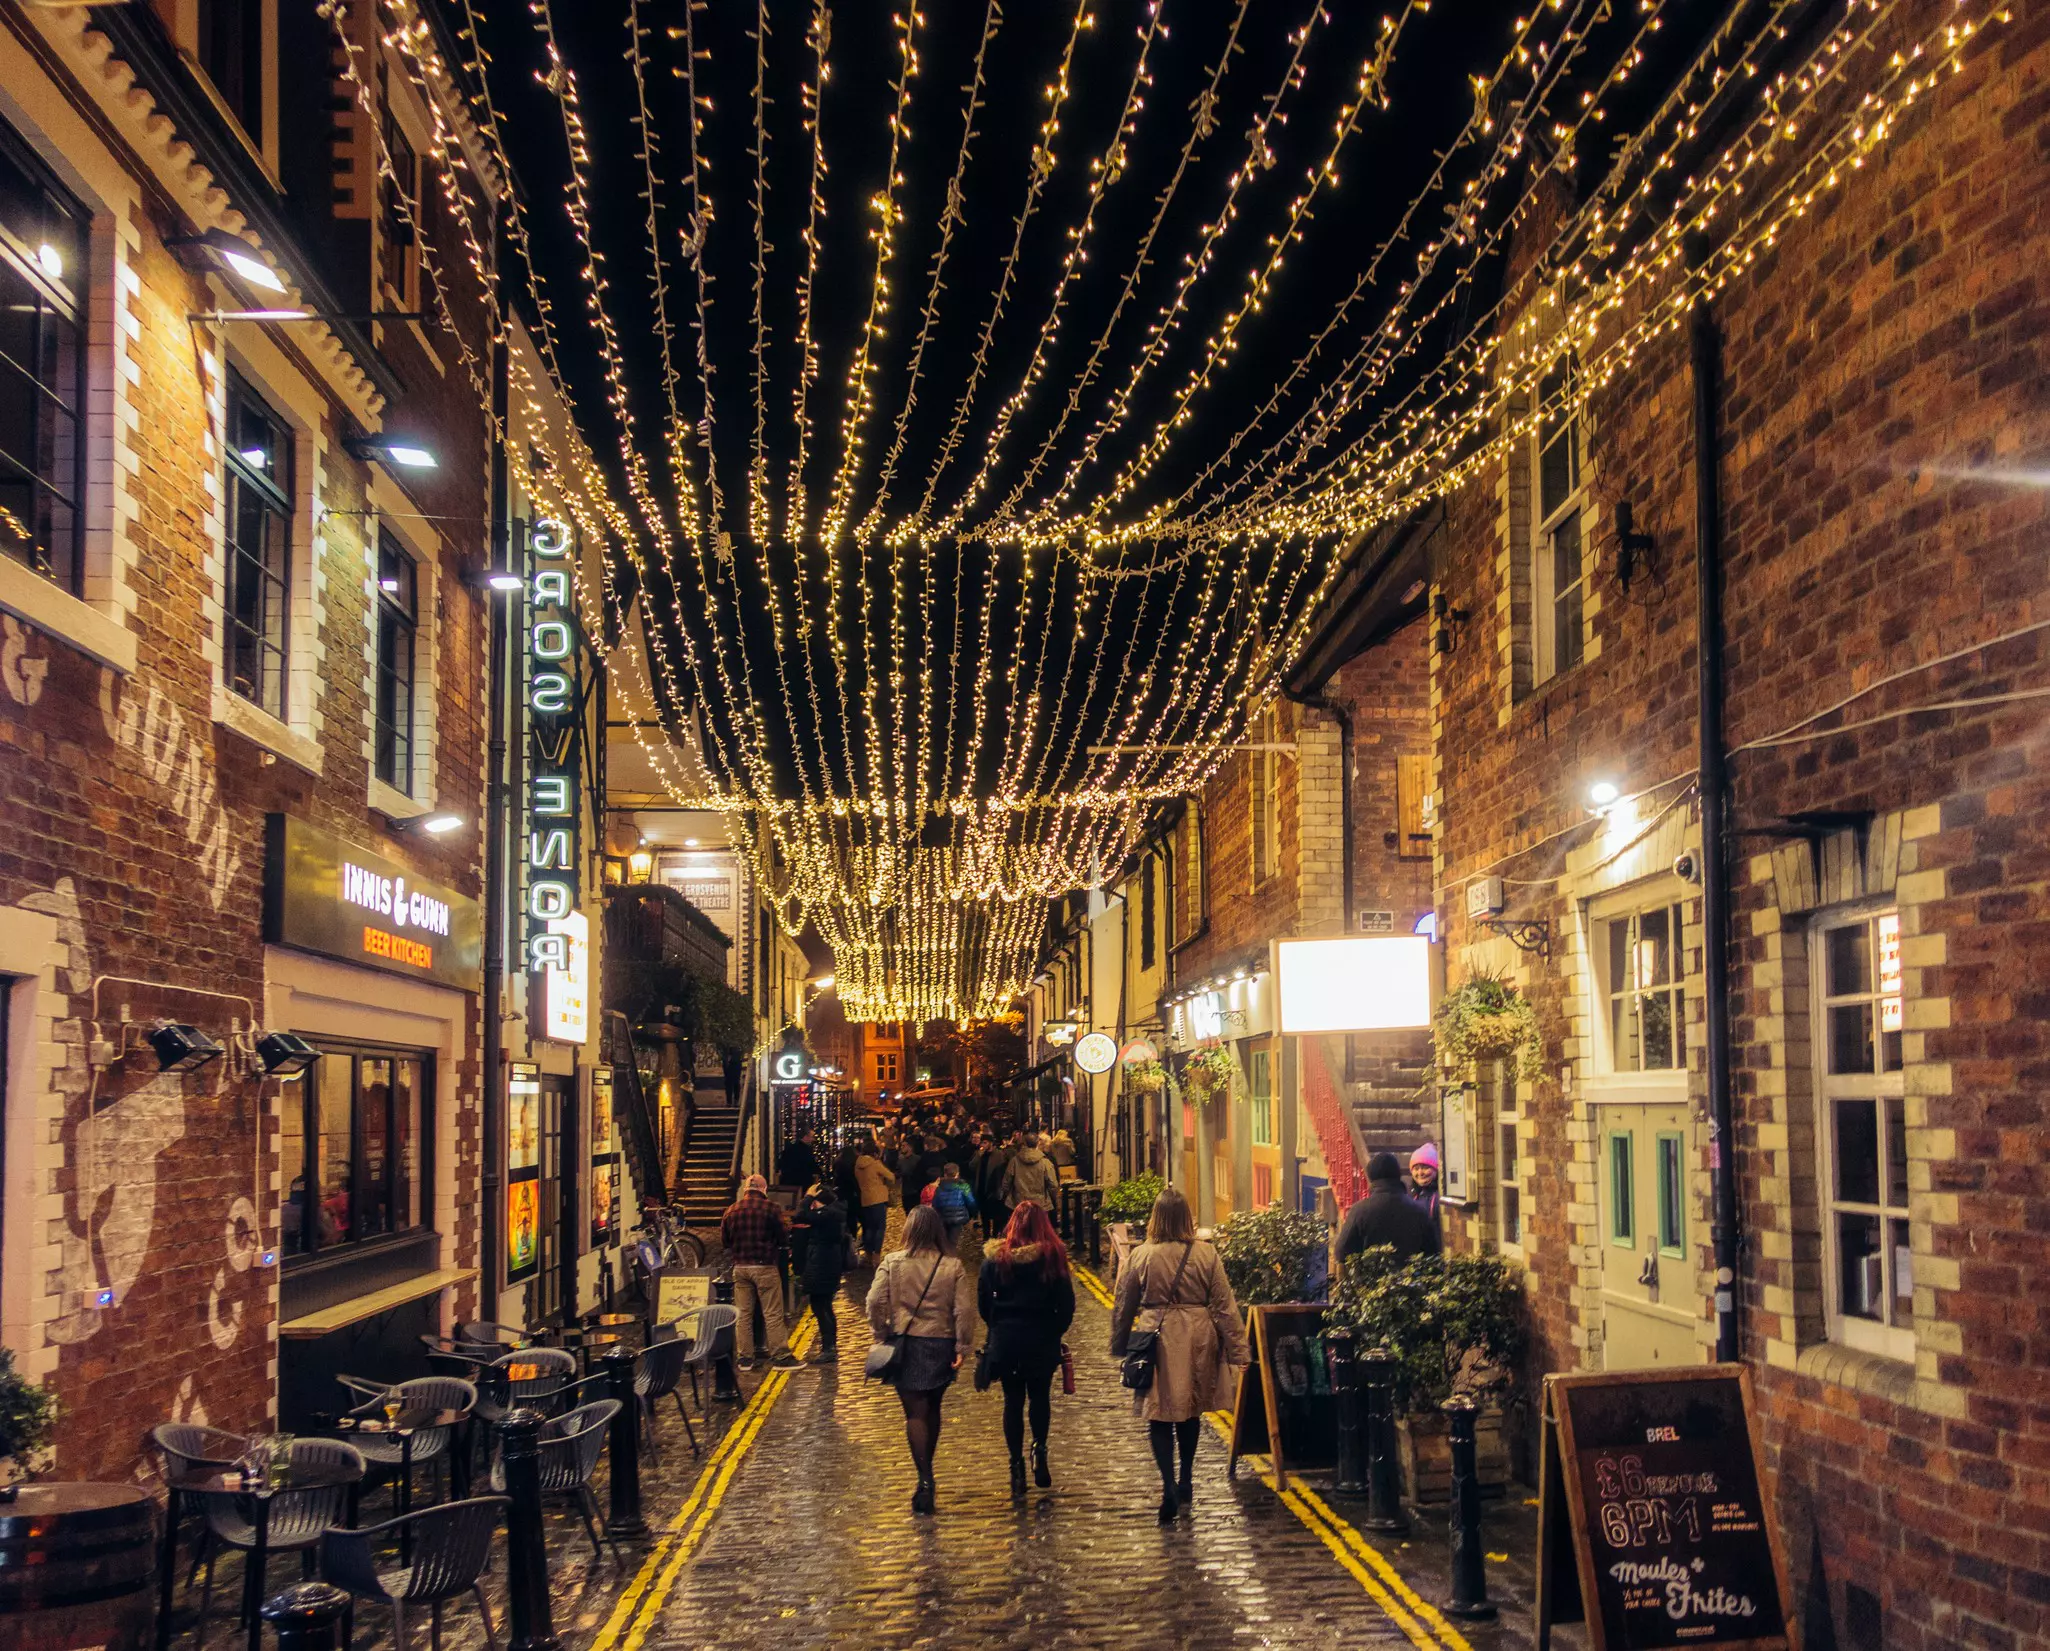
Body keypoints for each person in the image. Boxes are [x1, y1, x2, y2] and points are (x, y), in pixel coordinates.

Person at [1111, 1186, 1250, 1522]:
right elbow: (1225, 1305)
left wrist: (1120, 1344)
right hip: (1198, 1337)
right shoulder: (1206, 1254)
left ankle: (1168, 1485)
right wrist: (1239, 1350)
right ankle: (1186, 1480)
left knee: (1158, 1414)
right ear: (1187, 1217)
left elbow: (1124, 1304)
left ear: (1155, 1218)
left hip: (1155, 1336)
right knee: (1190, 1412)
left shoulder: (1141, 1255)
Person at [865, 1205, 976, 1514]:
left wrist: (881, 1332)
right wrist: (962, 1346)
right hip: (940, 1344)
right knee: (933, 1408)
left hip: (906, 1345)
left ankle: (925, 1479)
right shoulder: (952, 1265)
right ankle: (927, 1470)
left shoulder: (892, 1262)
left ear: (909, 1230)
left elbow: (874, 1301)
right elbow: (964, 1310)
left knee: (915, 1413)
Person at [979, 1201, 1076, 1498]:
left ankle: (1016, 1465)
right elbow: (1066, 1305)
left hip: (1007, 1341)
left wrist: (999, 1327)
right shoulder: (1052, 1257)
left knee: (1012, 1401)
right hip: (1041, 1339)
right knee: (1039, 1397)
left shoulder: (994, 1261)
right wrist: (1054, 1330)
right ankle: (1039, 1449)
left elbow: (984, 1304)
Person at [721, 1173, 799, 1369]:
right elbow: (783, 1237)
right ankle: (780, 1356)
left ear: (746, 1190)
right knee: (772, 1313)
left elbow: (725, 1241)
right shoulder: (771, 1208)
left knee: (743, 1314)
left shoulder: (731, 1210)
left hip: (740, 1267)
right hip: (765, 1266)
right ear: (764, 1189)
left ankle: (745, 1358)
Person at [1334, 1152, 1445, 1266]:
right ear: (1397, 1174)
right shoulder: (1419, 1210)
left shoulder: (1359, 1210)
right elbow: (1433, 1254)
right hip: (1411, 1275)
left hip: (1371, 1275)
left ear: (1371, 1176)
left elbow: (1342, 1253)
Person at [793, 1181, 849, 1364]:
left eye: (814, 1201)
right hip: (826, 1264)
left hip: (822, 1265)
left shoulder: (826, 1215)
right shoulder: (832, 1214)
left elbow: (801, 1215)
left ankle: (829, 1348)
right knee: (824, 1306)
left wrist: (808, 1196)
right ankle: (829, 1346)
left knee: (821, 1306)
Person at [854, 1145, 897, 1260]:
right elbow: (891, 1176)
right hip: (878, 1198)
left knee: (869, 1227)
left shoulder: (857, 1164)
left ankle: (868, 1254)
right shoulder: (875, 1163)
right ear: (875, 1153)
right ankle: (876, 1255)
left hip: (865, 1198)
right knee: (879, 1227)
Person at [1002, 1132, 1062, 1212]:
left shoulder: (1014, 1161)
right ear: (1037, 1143)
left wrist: (1011, 1196)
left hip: (1019, 1204)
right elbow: (1053, 1185)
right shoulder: (1045, 1162)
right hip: (1040, 1205)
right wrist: (1052, 1199)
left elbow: (1006, 1183)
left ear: (1025, 1143)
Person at [928, 1162, 978, 1253]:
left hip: (942, 1218)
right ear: (957, 1174)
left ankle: (943, 1256)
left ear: (945, 1174)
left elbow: (935, 1203)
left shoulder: (939, 1187)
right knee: (953, 1242)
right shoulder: (963, 1186)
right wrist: (972, 1215)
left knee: (943, 1241)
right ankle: (950, 1257)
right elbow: (971, 1202)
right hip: (957, 1218)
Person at [1408, 1142, 1443, 1223]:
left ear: (1436, 1170)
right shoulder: (1410, 1195)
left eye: (1425, 1168)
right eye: (1416, 1169)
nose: (1420, 1173)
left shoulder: (1441, 1197)